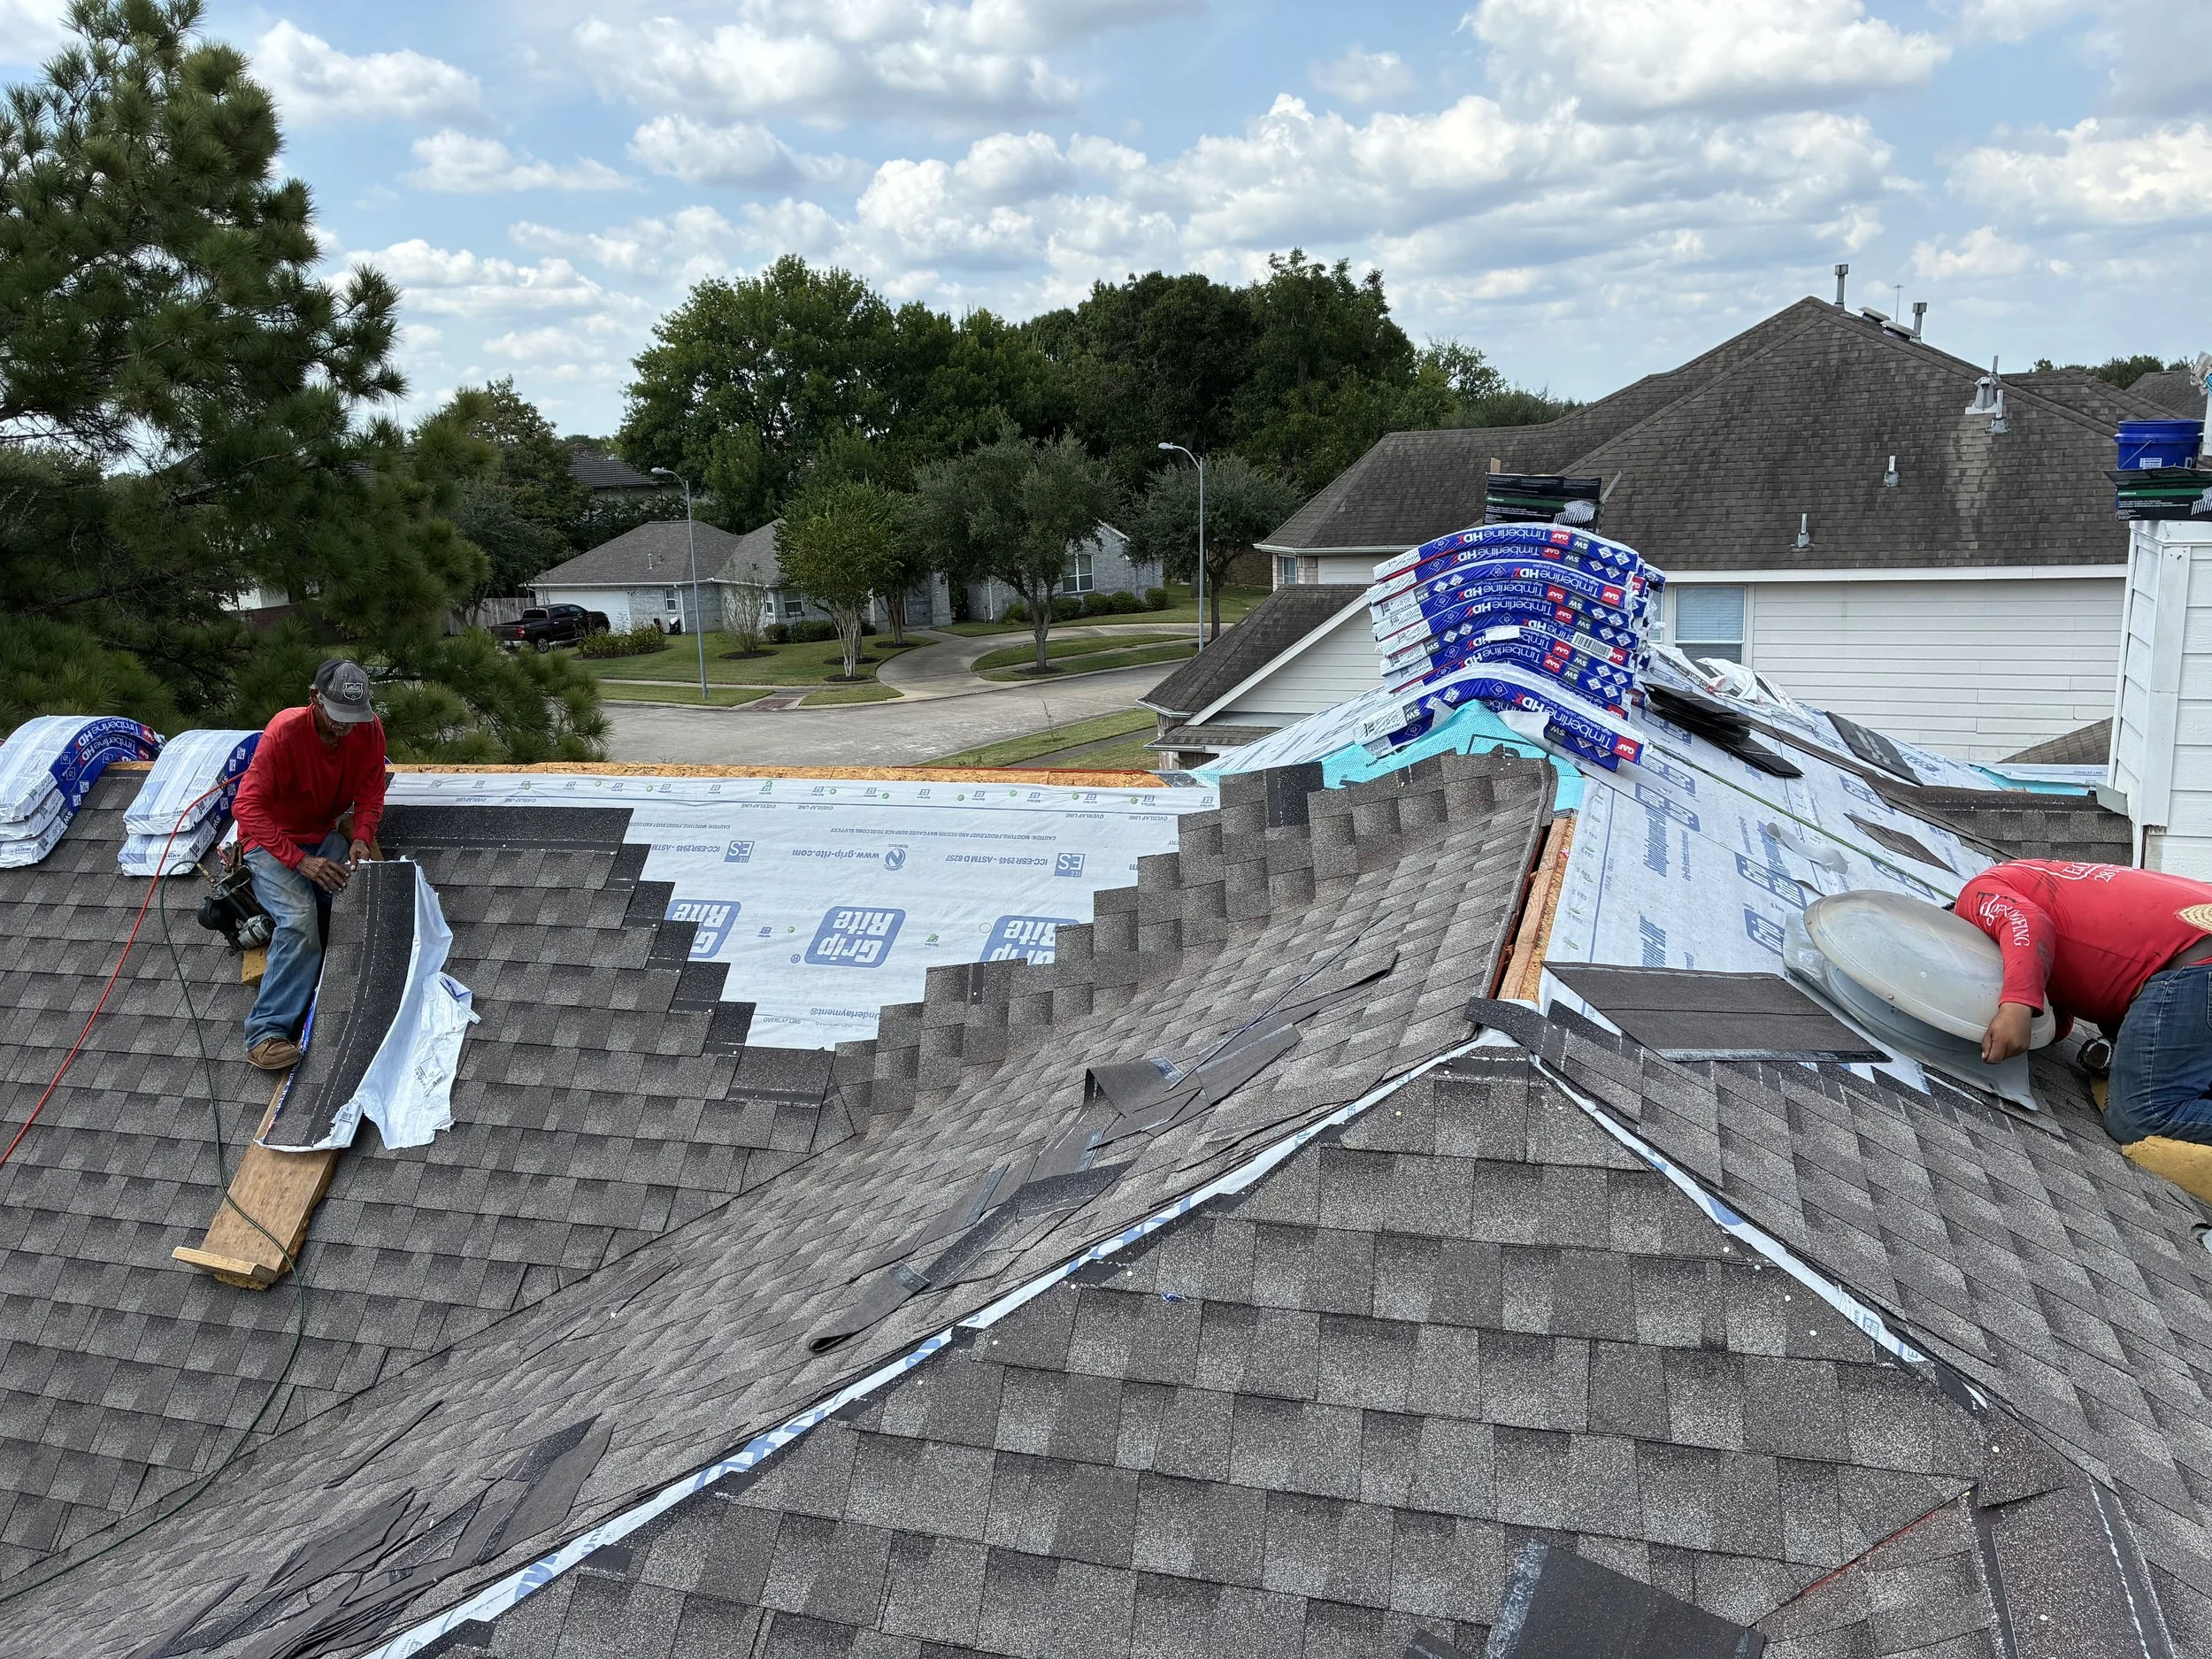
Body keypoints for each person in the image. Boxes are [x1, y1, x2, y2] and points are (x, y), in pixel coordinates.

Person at [1954, 858, 2212, 1146]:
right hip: (2190, 956)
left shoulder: (1974, 898)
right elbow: (2058, 1024)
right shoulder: (2023, 876)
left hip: (2196, 962)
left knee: (2144, 1116)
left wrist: (2015, 1005)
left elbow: (2029, 924)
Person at [230, 659, 387, 1071]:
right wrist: (301, 862)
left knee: (368, 896)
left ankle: (357, 1002)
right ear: (314, 698)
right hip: (270, 843)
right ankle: (265, 1032)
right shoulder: (284, 732)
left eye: (354, 718)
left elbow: (371, 791)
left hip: (323, 838)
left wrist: (361, 838)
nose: (346, 727)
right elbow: (246, 807)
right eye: (338, 716)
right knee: (299, 917)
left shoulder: (368, 729)